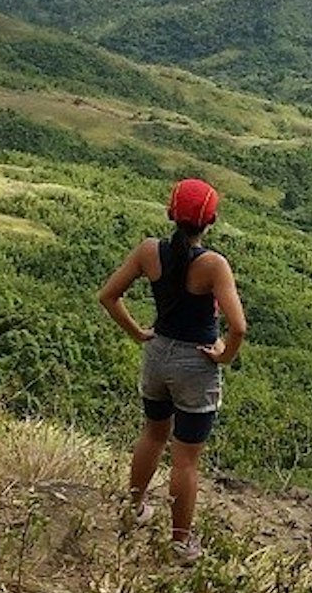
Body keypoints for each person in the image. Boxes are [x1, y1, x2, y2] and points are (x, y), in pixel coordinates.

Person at [99, 178, 246, 563]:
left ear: (170, 214)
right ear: (211, 220)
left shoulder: (150, 251)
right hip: (195, 366)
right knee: (185, 459)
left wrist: (138, 334)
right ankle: (180, 544)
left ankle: (135, 509)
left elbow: (108, 295)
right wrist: (223, 356)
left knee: (152, 433)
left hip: (157, 354)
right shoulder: (213, 264)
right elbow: (239, 326)